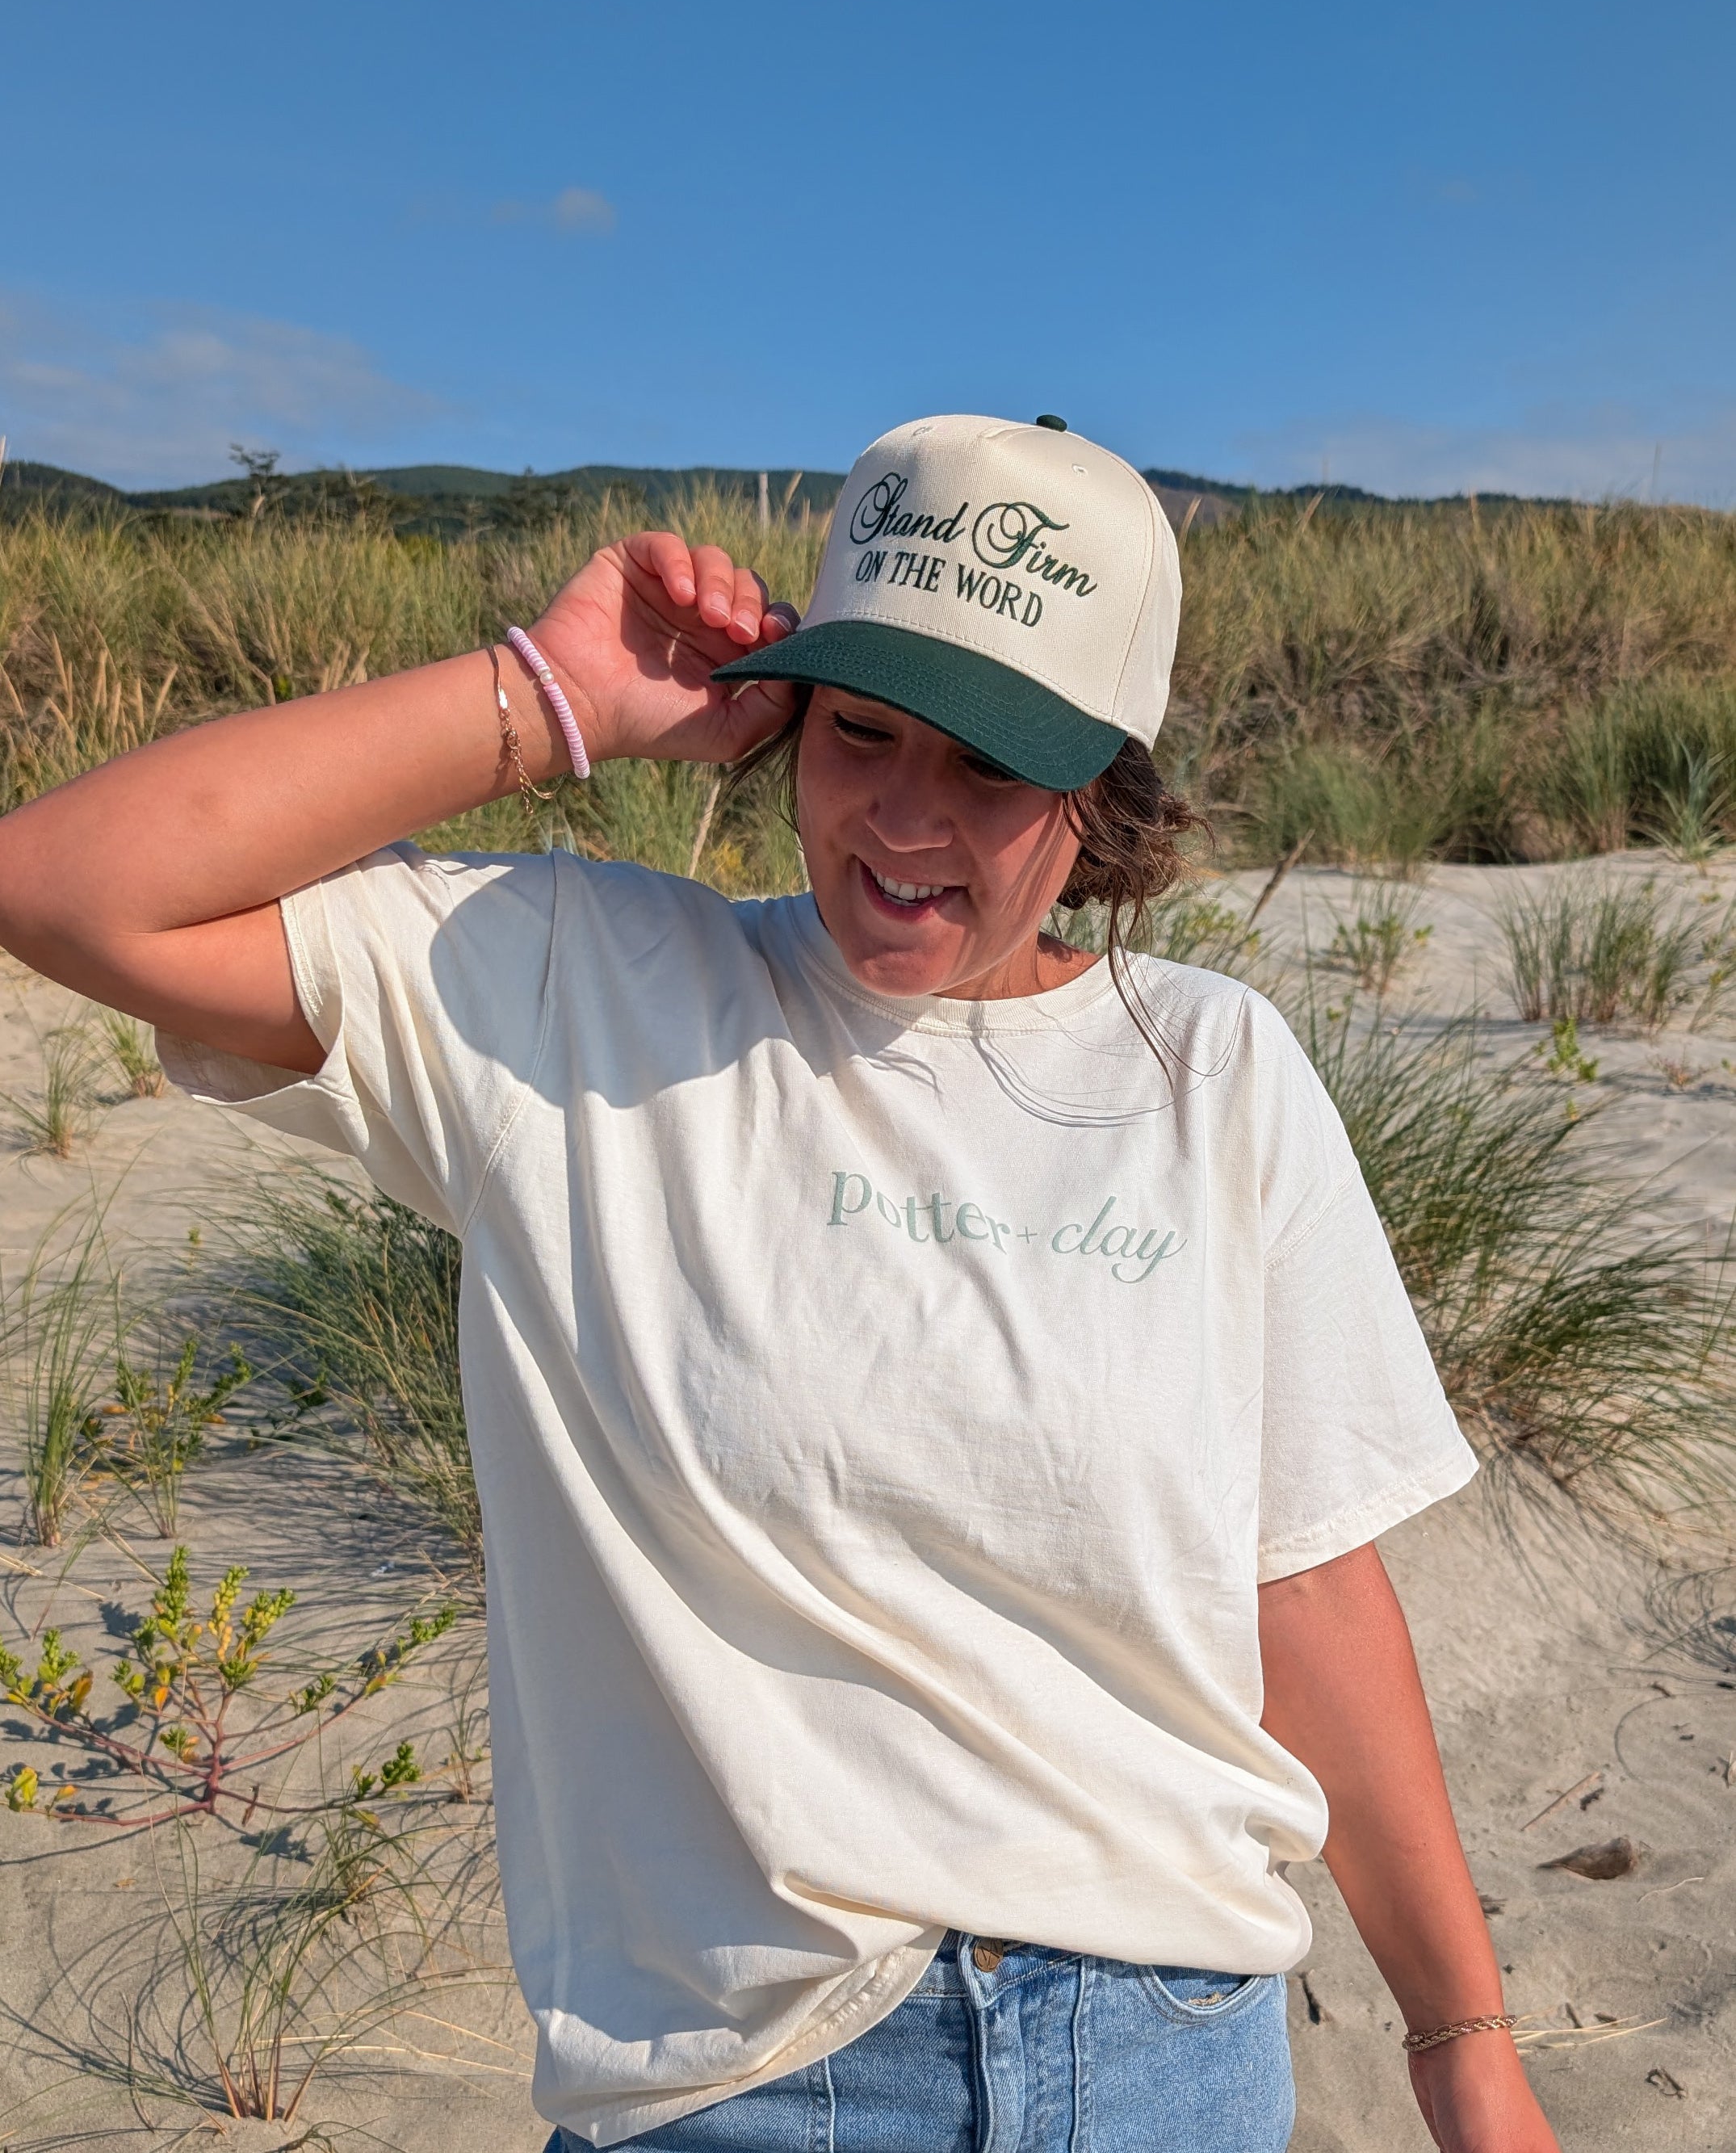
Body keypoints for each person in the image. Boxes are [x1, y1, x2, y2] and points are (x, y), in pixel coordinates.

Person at [0, 413, 1562, 2153]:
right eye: (860, 730)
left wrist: (1461, 2041)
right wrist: (551, 692)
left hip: (1167, 2051)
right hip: (751, 2076)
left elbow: (1308, 1593)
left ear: (1102, 786)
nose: (903, 816)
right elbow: (69, 888)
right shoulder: (575, 997)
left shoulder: (1212, 1069)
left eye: (986, 764)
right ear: (781, 721)